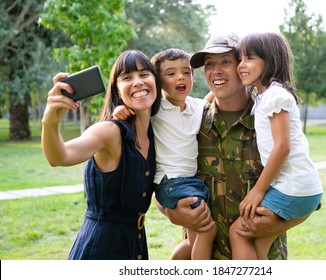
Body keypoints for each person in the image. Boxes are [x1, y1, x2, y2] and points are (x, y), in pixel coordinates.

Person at [159, 33, 289, 260]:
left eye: (225, 62)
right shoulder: (193, 123)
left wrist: (281, 222)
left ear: (242, 66)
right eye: (209, 64)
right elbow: (161, 178)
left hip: (261, 258)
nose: (215, 71)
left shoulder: (271, 119)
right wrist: (170, 211)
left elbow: (303, 186)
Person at [41, 50, 162, 260]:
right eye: (127, 77)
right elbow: (59, 157)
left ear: (155, 81)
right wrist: (50, 120)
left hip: (135, 246)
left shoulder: (156, 135)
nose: (138, 82)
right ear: (117, 89)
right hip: (100, 250)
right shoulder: (109, 131)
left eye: (144, 74)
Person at [113, 48, 217, 260]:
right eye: (171, 73)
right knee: (207, 230)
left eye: (186, 72)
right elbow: (132, 108)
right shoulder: (155, 108)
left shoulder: (197, 106)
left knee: (193, 239)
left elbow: (214, 95)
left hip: (191, 181)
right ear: (157, 82)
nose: (180, 77)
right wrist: (119, 111)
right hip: (170, 183)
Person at [229, 32, 323, 259]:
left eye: (249, 58)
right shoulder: (263, 96)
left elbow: (282, 146)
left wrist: (258, 191)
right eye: (240, 59)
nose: (241, 65)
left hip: (293, 187)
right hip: (303, 188)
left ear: (269, 61)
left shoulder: (275, 96)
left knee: (238, 232)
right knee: (259, 244)